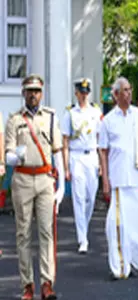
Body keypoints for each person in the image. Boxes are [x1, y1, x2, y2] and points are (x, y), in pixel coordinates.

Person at [4, 74, 65, 300]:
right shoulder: (14, 120)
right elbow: (8, 152)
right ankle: (27, 285)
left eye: (37, 91)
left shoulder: (50, 118)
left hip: (44, 179)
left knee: (46, 232)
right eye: (29, 91)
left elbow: (57, 151)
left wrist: (61, 185)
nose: (33, 95)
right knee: (23, 234)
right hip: (22, 179)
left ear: (41, 93)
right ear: (23, 93)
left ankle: (47, 284)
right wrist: (14, 156)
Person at [99, 77, 138, 280]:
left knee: (136, 224)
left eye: (129, 89)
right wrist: (105, 179)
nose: (128, 94)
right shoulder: (107, 121)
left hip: (136, 176)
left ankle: (134, 261)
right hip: (118, 178)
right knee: (116, 224)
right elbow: (103, 152)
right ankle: (119, 266)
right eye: (123, 90)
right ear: (115, 95)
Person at [61, 78, 102, 254]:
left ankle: (83, 227)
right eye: (81, 92)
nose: (84, 96)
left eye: (86, 93)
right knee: (78, 198)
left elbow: (101, 139)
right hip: (76, 156)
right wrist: (65, 168)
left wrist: (101, 163)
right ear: (76, 93)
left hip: (92, 155)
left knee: (91, 197)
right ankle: (82, 238)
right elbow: (64, 141)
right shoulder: (70, 114)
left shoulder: (95, 112)